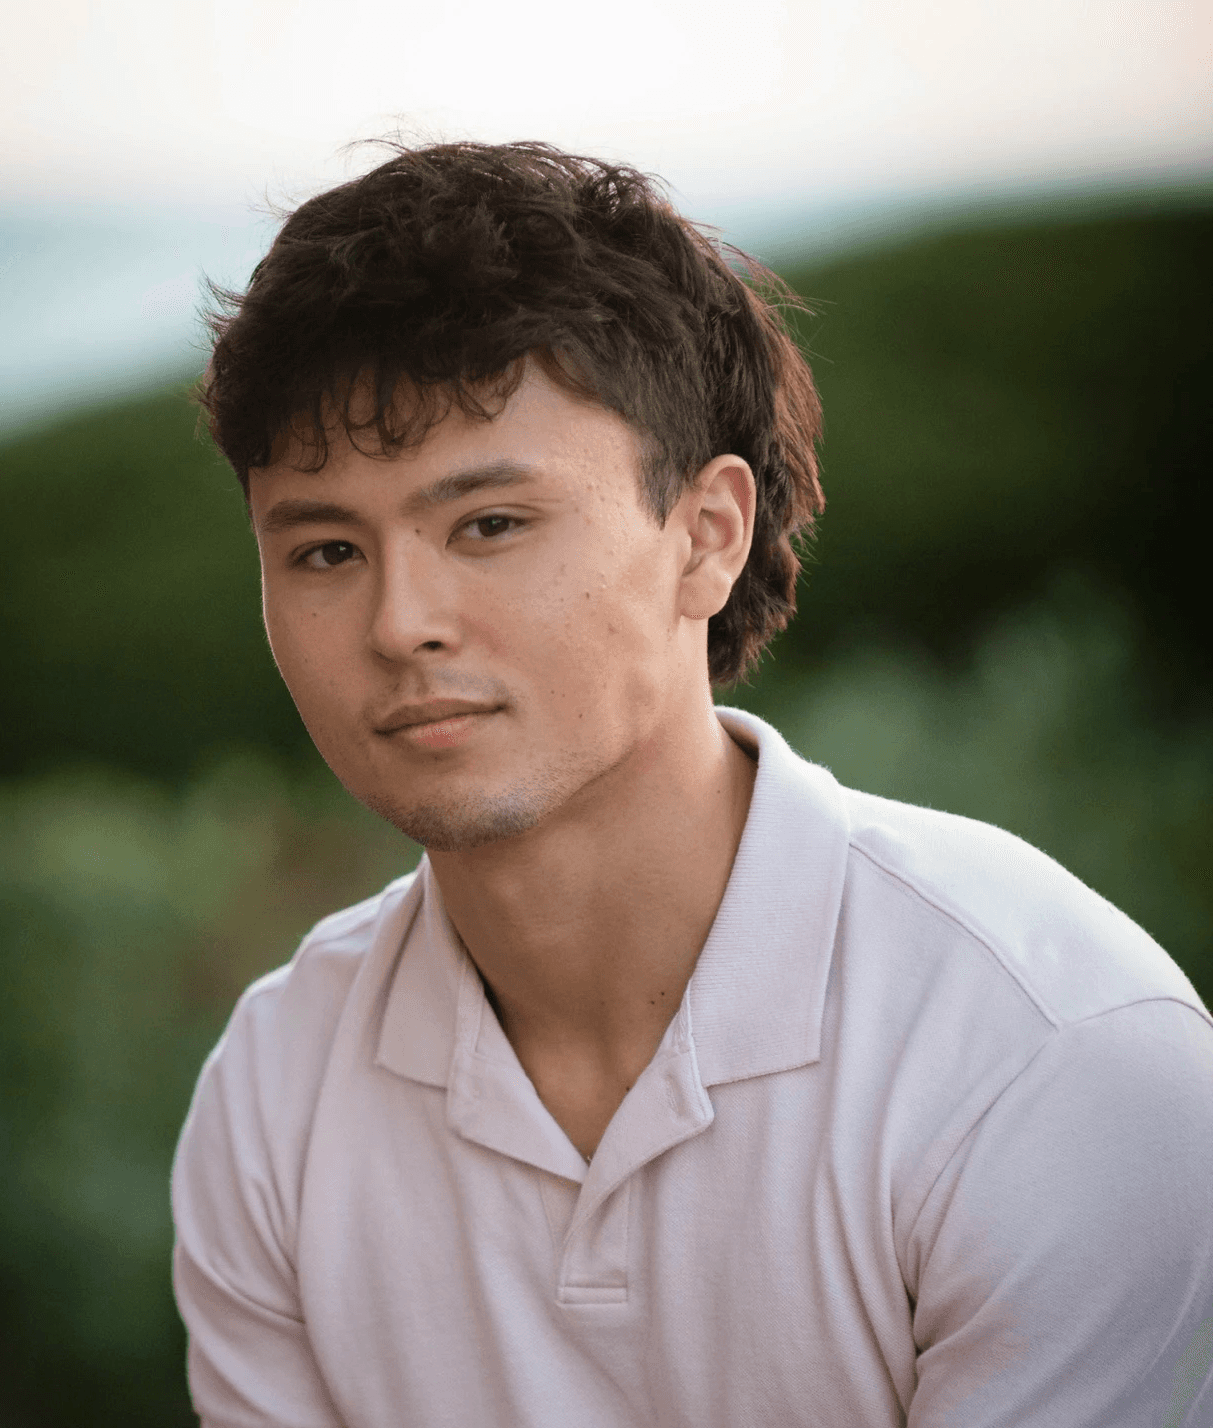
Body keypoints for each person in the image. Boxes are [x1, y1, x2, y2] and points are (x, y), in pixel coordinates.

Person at [171, 141, 1213, 1427]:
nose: (401, 623)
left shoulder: (1046, 1058)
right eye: (326, 548)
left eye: (490, 524)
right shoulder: (276, 1086)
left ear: (706, 536)